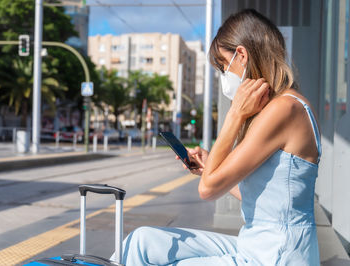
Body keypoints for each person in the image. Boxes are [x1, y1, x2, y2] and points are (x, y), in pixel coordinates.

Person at [113, 9, 321, 265]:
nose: (224, 76)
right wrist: (209, 166)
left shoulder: (284, 109)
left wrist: (235, 114)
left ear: (241, 55)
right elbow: (263, 198)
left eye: (223, 65)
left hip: (276, 255)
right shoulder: (279, 108)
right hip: (256, 244)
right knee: (141, 242)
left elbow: (208, 190)